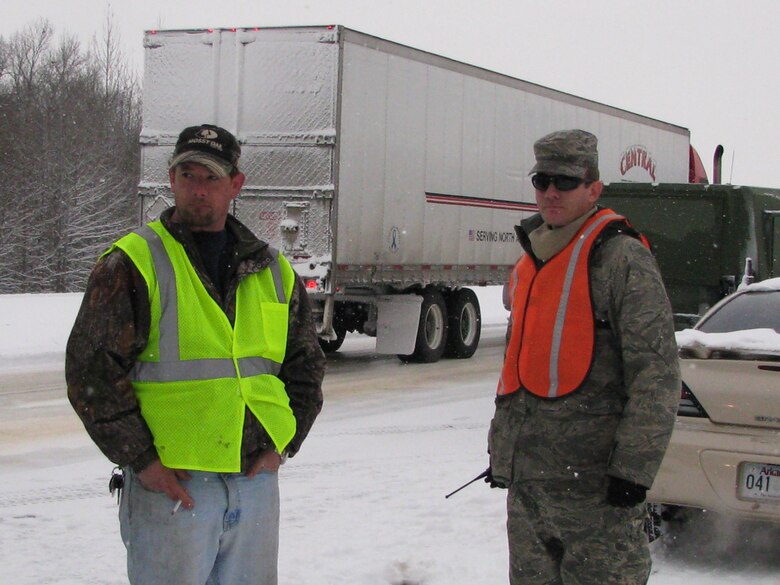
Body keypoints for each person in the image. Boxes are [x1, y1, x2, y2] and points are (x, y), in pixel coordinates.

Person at [66, 123, 326, 585]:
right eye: (187, 175)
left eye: (210, 177)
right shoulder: (133, 262)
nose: (198, 190)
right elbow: (91, 372)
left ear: (235, 184)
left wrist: (284, 443)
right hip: (174, 488)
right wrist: (142, 462)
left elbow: (305, 365)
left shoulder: (272, 268)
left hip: (255, 483)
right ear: (171, 180)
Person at [487, 129, 680, 585]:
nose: (551, 192)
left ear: (594, 188)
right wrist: (504, 453)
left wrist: (632, 471)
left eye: (566, 181)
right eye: (542, 180)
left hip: (596, 496)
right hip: (530, 493)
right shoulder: (532, 258)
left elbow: (657, 373)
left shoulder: (622, 260)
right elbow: (521, 365)